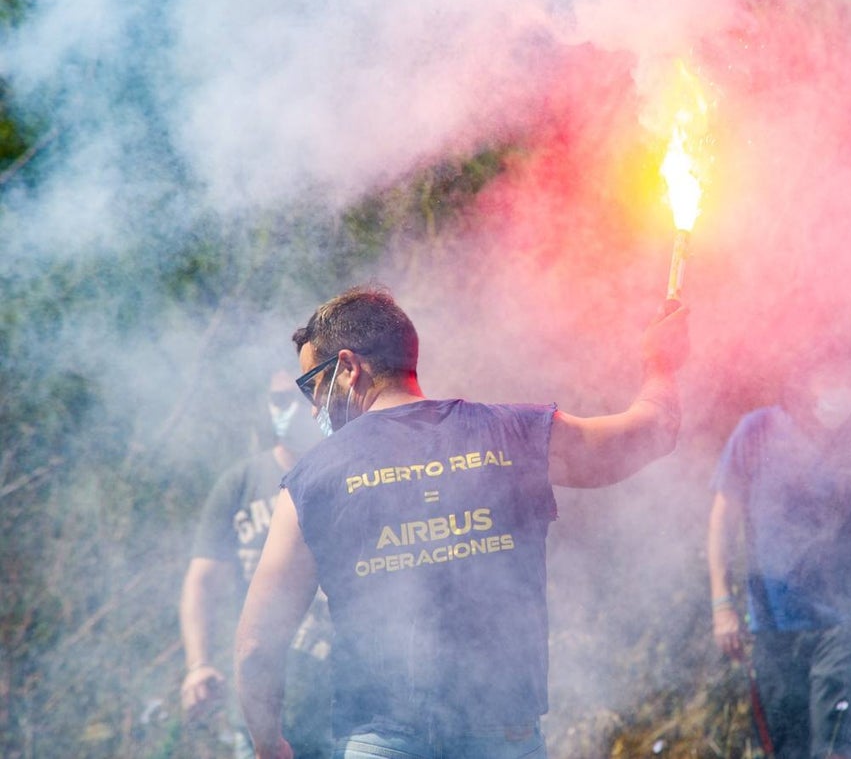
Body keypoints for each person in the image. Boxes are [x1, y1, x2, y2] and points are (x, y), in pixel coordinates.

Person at [233, 286, 688, 759]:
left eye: (313, 385)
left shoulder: (310, 481)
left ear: (348, 368)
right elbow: (652, 432)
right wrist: (662, 366)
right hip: (503, 736)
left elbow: (256, 644)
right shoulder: (514, 434)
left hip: (381, 742)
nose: (311, 408)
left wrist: (268, 744)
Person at [708, 347, 851, 759]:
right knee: (785, 747)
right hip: (774, 623)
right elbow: (723, 519)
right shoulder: (757, 430)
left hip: (844, 621)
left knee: (833, 745)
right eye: (831, 381)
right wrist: (723, 603)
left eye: (849, 382)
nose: (841, 392)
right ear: (803, 382)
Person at [180, 370, 332, 758]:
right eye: (277, 400)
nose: (287, 410)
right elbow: (202, 582)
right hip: (261, 703)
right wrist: (198, 664)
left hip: (341, 698)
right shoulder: (240, 482)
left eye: (295, 399)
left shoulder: (344, 471)